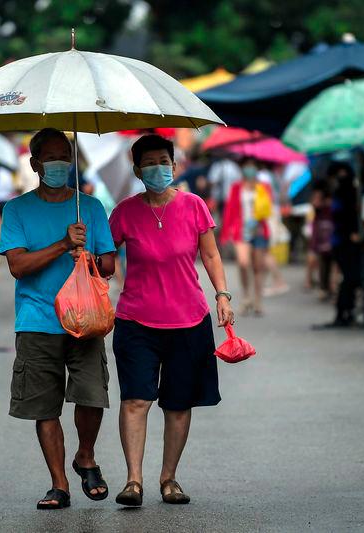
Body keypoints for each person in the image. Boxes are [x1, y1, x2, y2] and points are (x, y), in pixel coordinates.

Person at [108, 135, 233, 507]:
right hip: (136, 321)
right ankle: (133, 481)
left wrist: (222, 295)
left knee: (178, 404)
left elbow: (210, 256)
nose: (158, 168)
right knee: (135, 400)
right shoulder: (124, 212)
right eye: (149, 163)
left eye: (164, 161)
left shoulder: (195, 206)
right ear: (137, 171)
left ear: (175, 166)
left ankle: (169, 479)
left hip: (188, 320)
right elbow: (105, 259)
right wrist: (89, 248)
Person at [0, 128, 116, 510]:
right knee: (44, 405)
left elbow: (109, 265)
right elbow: (18, 265)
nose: (59, 164)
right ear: (35, 164)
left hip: (86, 317)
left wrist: (87, 258)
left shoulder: (92, 207)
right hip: (37, 320)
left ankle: (85, 455)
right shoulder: (16, 210)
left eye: (65, 156)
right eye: (50, 158)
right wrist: (62, 245)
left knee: (92, 394)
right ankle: (59, 484)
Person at [220, 157, 273, 315]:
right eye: (246, 166)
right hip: (241, 230)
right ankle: (246, 296)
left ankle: (257, 300)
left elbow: (268, 208)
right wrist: (225, 233)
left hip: (258, 230)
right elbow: (230, 210)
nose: (249, 169)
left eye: (252, 166)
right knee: (243, 263)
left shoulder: (263, 187)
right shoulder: (237, 187)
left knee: (258, 267)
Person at [320, 162, 363, 328]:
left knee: (350, 278)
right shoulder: (343, 193)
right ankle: (343, 312)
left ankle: (346, 312)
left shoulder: (344, 193)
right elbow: (343, 217)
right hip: (343, 242)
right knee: (350, 277)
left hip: (342, 241)